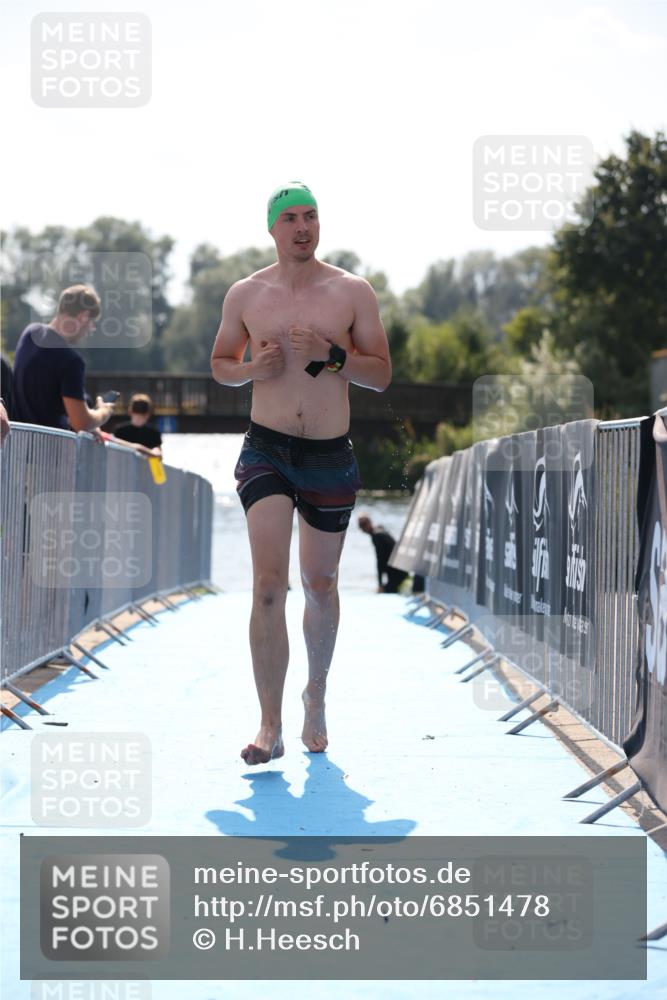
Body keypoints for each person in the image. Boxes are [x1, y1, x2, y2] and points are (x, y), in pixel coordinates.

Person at [210, 181, 391, 765]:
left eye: (311, 216)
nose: (303, 227)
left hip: (328, 453)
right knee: (269, 584)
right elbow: (220, 365)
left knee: (320, 584)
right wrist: (250, 369)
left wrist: (330, 355)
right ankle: (270, 724)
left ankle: (316, 695)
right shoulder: (246, 293)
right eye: (290, 218)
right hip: (266, 449)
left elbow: (381, 374)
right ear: (272, 228)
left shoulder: (352, 291)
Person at [11, 285, 115, 433]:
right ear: (83, 316)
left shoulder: (30, 333)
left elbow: (41, 400)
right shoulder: (71, 361)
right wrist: (103, 412)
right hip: (50, 445)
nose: (91, 329)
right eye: (92, 322)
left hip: (17, 440)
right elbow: (81, 422)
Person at [357, 514, 408, 593]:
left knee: (385, 591)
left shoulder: (377, 536)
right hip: (401, 569)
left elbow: (380, 561)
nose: (362, 528)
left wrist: (380, 585)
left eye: (363, 524)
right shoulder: (380, 529)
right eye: (360, 525)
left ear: (370, 522)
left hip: (398, 572)